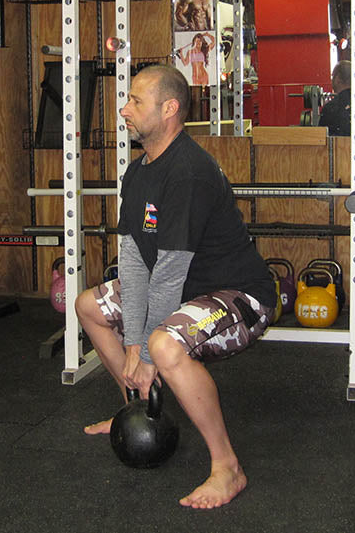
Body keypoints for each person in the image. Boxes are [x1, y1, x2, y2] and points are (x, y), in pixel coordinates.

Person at [75, 64, 274, 509]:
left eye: (135, 102)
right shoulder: (139, 170)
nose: (123, 110)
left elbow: (168, 271)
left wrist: (144, 350)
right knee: (89, 305)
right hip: (186, 291)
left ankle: (227, 468)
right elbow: (132, 259)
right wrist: (131, 344)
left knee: (164, 346)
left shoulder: (187, 171)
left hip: (240, 296)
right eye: (126, 100)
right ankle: (134, 409)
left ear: (169, 109)